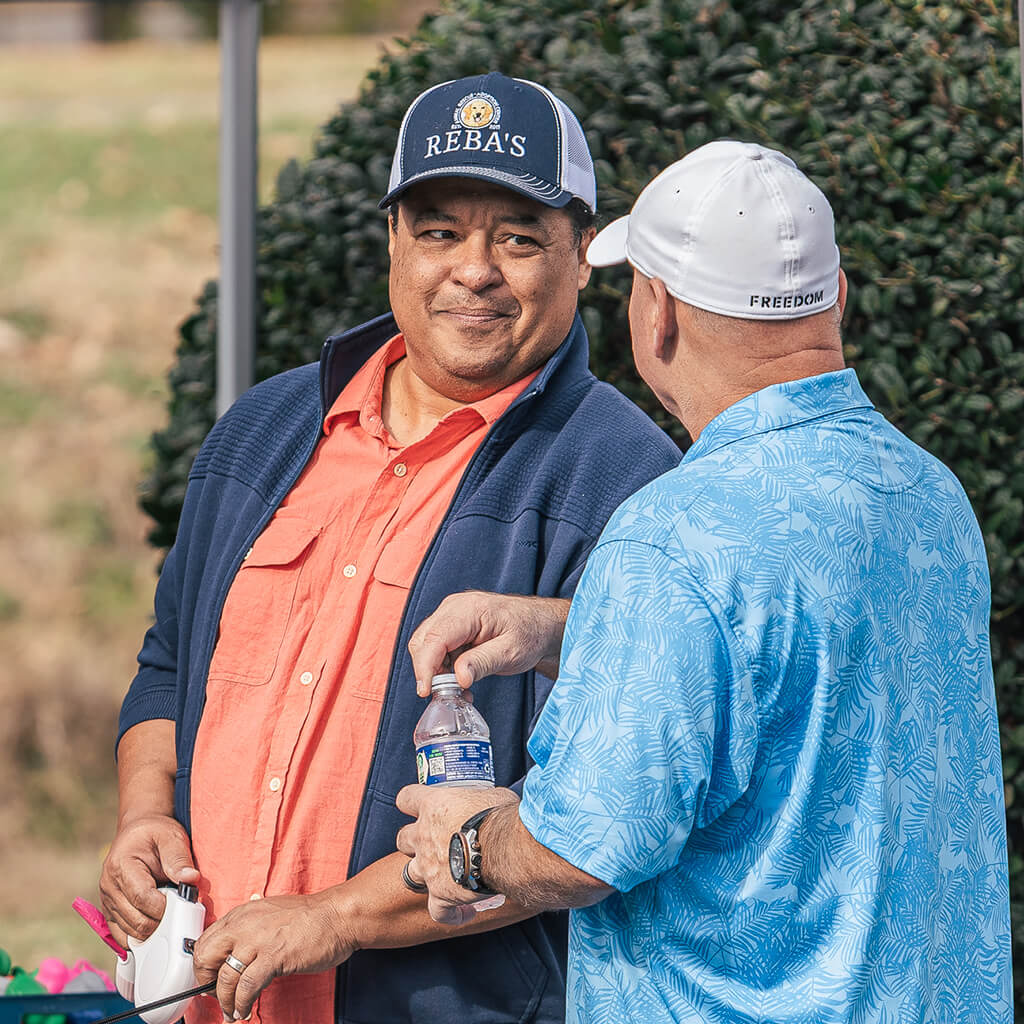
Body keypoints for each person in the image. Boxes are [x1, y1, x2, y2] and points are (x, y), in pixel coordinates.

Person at [98, 72, 680, 1024]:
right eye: (440, 232)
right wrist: (144, 813)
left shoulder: (625, 480)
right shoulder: (263, 428)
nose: (474, 270)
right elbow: (169, 667)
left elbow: (596, 813)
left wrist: (338, 917)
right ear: (395, 243)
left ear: (582, 257)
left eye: (519, 238)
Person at [396, 140, 1012, 1022]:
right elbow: (798, 664)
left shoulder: (674, 536)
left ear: (658, 314)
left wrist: (467, 846)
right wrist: (571, 629)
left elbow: (583, 849)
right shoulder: (927, 493)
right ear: (837, 297)